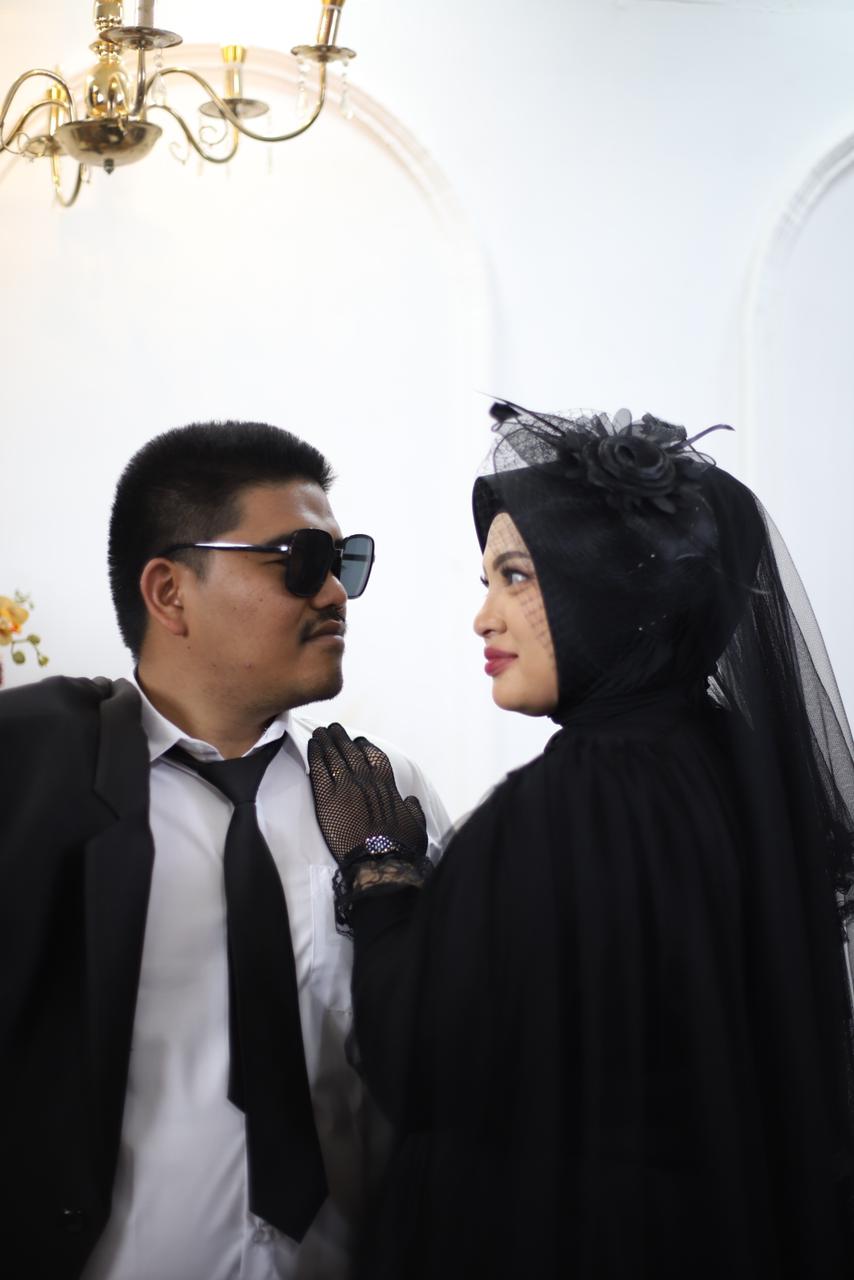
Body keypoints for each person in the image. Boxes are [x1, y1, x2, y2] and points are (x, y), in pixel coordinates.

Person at [308, 403, 854, 1279]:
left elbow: (423, 1064)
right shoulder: (732, 763)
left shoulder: (575, 801)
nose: (484, 619)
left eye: (516, 576)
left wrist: (381, 868)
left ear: (613, 589)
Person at [0, 420, 449, 1280]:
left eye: (344, 562)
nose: (336, 595)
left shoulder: (384, 798)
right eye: (300, 562)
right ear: (170, 593)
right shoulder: (44, 796)